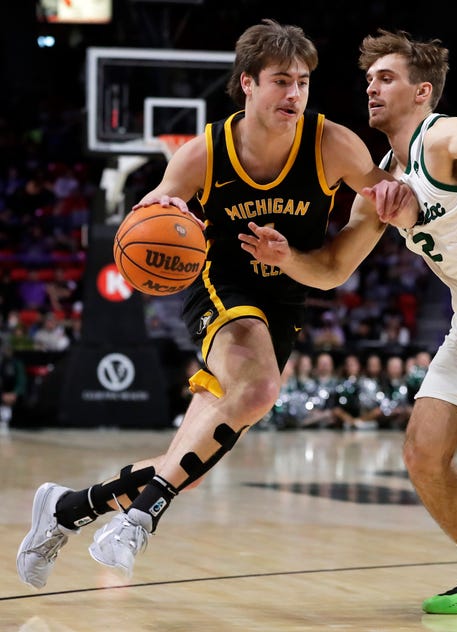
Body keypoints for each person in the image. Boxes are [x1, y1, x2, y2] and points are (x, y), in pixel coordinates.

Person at [16, 19, 416, 589]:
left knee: (189, 464)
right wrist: (158, 220)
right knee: (259, 390)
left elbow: (382, 196)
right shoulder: (204, 153)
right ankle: (138, 523)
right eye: (282, 81)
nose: (295, 94)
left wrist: (407, 190)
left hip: (286, 296)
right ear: (248, 83)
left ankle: (68, 508)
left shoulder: (331, 144)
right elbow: (151, 218)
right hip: (220, 289)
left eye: (303, 81)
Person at [239, 28, 457, 615]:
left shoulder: (441, 137)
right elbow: (331, 272)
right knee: (422, 455)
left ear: (422, 92)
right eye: (369, 79)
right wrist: (286, 259)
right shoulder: (381, 177)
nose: (371, 88)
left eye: (386, 78)